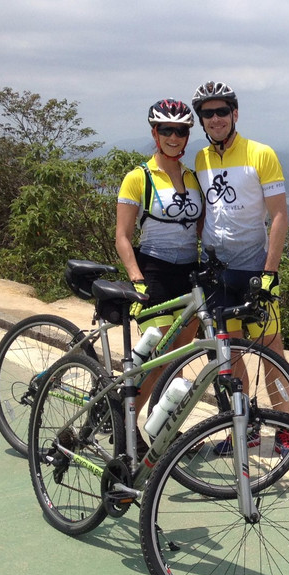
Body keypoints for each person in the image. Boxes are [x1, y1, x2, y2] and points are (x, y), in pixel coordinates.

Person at [190, 80, 289, 455]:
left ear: (235, 114)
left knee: (271, 351)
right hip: (217, 272)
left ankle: (286, 432)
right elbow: (205, 212)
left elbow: (279, 216)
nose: (215, 119)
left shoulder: (261, 154)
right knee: (230, 355)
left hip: (254, 270)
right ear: (202, 120)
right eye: (208, 113)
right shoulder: (200, 159)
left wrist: (269, 273)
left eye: (222, 111)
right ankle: (244, 428)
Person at [115, 99, 203, 424]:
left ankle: (161, 431)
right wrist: (136, 279)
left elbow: (203, 230)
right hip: (154, 272)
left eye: (181, 131)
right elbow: (122, 236)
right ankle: (126, 424)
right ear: (155, 133)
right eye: (167, 130)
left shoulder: (193, 178)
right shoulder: (138, 177)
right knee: (157, 357)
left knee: (177, 360)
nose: (174, 138)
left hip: (189, 275)